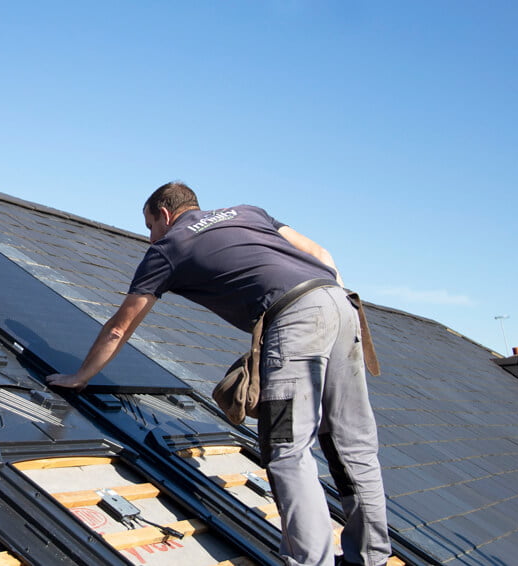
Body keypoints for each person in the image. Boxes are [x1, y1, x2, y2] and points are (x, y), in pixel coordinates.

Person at [47, 181, 389, 566]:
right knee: (353, 446)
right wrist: (329, 308)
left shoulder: (169, 247)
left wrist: (80, 377)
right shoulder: (249, 212)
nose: (149, 237)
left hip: (295, 320)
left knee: (286, 449)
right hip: (341, 304)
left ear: (164, 214)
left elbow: (119, 327)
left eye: (149, 226)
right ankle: (370, 557)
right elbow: (321, 254)